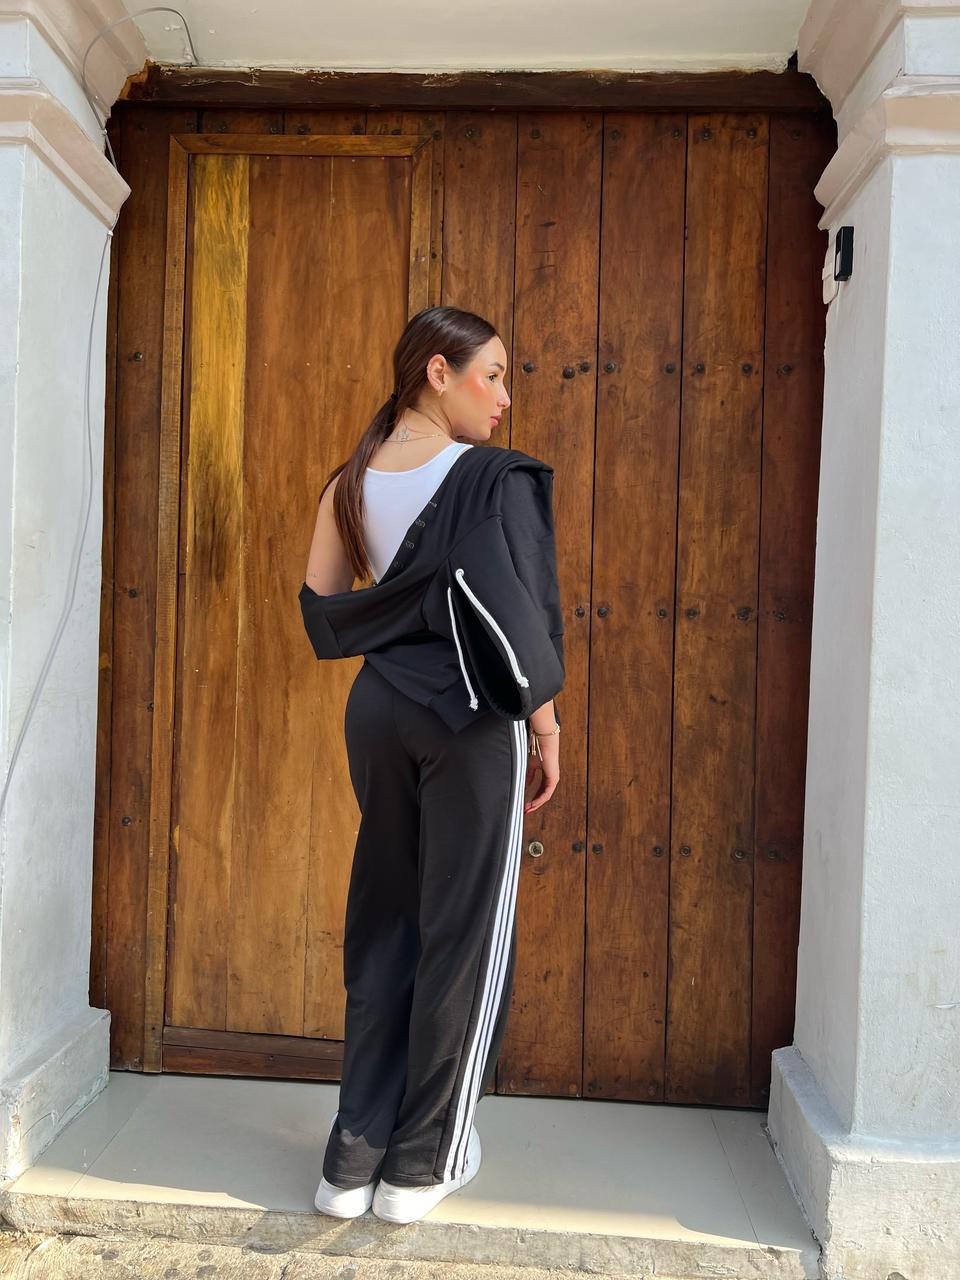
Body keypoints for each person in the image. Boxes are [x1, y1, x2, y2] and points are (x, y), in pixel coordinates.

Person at [299, 305, 564, 1224]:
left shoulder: (348, 481)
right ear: (438, 373)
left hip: (378, 709)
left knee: (387, 922)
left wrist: (396, 617)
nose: (504, 396)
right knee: (465, 933)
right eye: (492, 374)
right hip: (471, 717)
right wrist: (545, 724)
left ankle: (349, 1165)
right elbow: (519, 611)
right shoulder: (488, 477)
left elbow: (320, 608)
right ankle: (422, 1165)